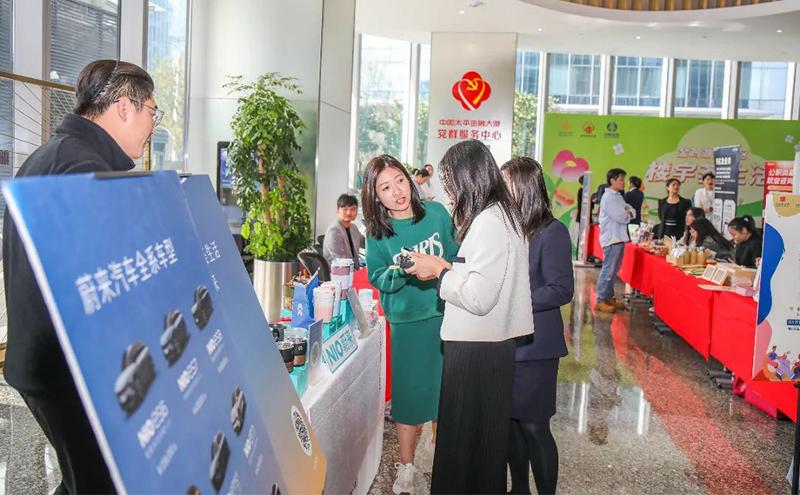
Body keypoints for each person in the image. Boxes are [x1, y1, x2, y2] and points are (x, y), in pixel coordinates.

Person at [2, 59, 161, 494]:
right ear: (125, 107)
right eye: (152, 111)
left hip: (47, 359)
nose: (154, 125)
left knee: (86, 478)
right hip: (67, 368)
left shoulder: (56, 156)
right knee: (98, 482)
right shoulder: (84, 169)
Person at [407, 140, 533, 494]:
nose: (449, 194)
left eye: (451, 183)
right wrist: (445, 266)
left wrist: (440, 273)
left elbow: (479, 297)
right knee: (483, 444)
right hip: (492, 345)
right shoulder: (503, 214)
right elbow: (483, 276)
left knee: (462, 445)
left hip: (476, 348)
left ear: (469, 178)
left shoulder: (490, 220)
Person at [361, 154, 458, 495]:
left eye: (399, 180)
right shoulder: (378, 234)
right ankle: (406, 466)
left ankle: (439, 453)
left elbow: (456, 255)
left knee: (444, 394)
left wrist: (442, 267)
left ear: (409, 179)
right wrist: (403, 268)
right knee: (408, 397)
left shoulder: (437, 213)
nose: (397, 192)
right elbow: (377, 278)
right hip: (407, 325)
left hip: (444, 314)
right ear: (375, 196)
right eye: (385, 188)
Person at [500, 157, 574, 495]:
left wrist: (513, 299)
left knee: (534, 427)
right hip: (505, 343)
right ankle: (518, 489)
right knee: (511, 427)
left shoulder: (551, 231)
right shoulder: (508, 228)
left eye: (507, 184)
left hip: (536, 348)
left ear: (526, 187)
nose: (501, 191)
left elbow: (561, 289)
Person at [595, 168, 635, 314]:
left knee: (613, 271)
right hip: (612, 238)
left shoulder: (617, 196)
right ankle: (600, 300)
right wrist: (627, 213)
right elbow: (622, 216)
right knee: (608, 270)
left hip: (618, 237)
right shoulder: (609, 198)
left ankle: (608, 297)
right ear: (612, 180)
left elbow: (632, 211)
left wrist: (628, 212)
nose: (623, 182)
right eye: (621, 179)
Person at [322, 193, 364, 268]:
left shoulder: (353, 227)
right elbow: (341, 261)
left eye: (352, 209)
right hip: (339, 272)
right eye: (345, 209)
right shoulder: (334, 231)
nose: (349, 213)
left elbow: (364, 242)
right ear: (338, 210)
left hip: (353, 270)